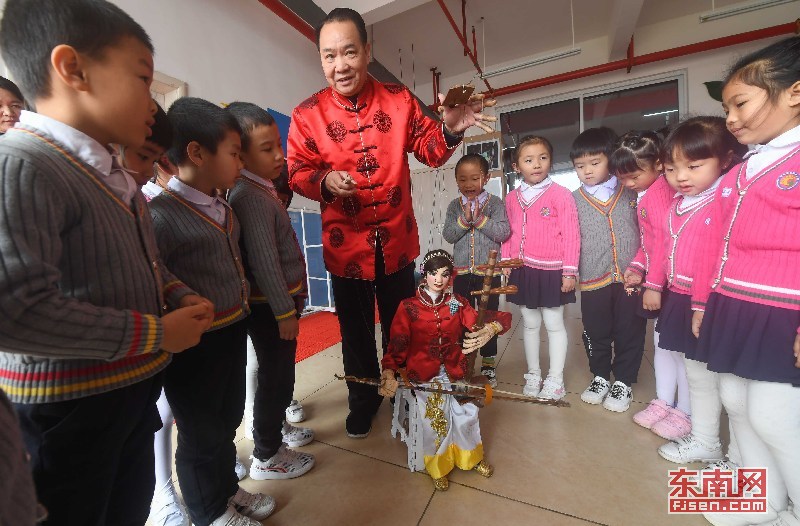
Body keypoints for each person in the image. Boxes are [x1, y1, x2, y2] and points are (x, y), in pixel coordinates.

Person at [0, 1, 213, 524]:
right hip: (67, 412)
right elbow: (16, 312)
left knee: (125, 509)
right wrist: (156, 334)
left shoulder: (112, 176)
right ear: (72, 69)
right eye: (143, 77)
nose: (151, 98)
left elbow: (145, 264)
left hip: (127, 393)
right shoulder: (22, 162)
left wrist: (177, 292)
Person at [287, 7, 496, 438]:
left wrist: (451, 130)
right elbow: (297, 172)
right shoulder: (307, 114)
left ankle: (408, 397)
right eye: (329, 56)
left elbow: (431, 150)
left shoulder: (399, 100)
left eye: (348, 52)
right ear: (320, 60)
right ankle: (363, 401)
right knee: (356, 334)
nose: (340, 65)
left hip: (398, 243)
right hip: (346, 249)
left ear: (367, 50)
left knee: (406, 328)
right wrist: (325, 179)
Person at [149, 97, 274, 526]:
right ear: (197, 153)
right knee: (200, 431)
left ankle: (225, 490)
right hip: (194, 345)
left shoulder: (224, 209)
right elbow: (154, 269)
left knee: (226, 417)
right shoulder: (161, 214)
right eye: (234, 153)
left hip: (230, 329)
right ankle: (208, 512)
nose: (240, 163)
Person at [692, 37, 800, 526]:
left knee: (775, 416)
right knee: (737, 402)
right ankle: (765, 503)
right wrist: (702, 302)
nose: (731, 118)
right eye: (726, 107)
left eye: (741, 103)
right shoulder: (742, 168)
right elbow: (712, 244)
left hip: (784, 308)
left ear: (794, 93)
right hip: (734, 301)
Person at [227, 102, 315, 481]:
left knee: (281, 375)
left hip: (278, 304)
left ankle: (277, 431)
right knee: (274, 379)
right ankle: (266, 454)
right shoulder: (250, 197)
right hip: (270, 308)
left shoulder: (262, 190)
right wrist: (283, 312)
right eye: (266, 149)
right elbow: (264, 263)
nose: (280, 156)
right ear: (240, 154)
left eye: (278, 145)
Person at [654, 117, 746, 471]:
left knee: (732, 387)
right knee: (696, 374)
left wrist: (703, 302)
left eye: (693, 166)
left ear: (724, 160)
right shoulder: (678, 204)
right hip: (681, 295)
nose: (681, 177)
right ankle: (706, 440)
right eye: (671, 168)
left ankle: (738, 459)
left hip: (714, 301)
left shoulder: (726, 200)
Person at [378, 249, 511, 491]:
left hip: (456, 369)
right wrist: (389, 370)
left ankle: (470, 458)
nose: (438, 279)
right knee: (436, 417)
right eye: (433, 273)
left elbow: (488, 318)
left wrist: (492, 327)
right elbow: (397, 343)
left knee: (467, 411)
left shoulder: (457, 303)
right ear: (424, 275)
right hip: (424, 373)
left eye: (444, 274)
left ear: (451, 277)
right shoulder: (408, 307)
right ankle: (438, 465)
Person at [614, 130, 692, 439]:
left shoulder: (662, 194)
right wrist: (636, 267)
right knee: (662, 344)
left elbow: (665, 244)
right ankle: (663, 401)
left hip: (675, 284)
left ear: (658, 165)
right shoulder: (647, 193)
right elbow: (649, 244)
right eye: (622, 179)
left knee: (680, 350)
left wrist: (654, 285)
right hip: (662, 278)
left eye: (633, 177)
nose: (628, 185)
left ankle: (684, 411)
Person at [571, 127, 646, 412]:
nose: (587, 171)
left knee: (630, 329)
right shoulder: (573, 200)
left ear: (611, 159)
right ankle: (600, 375)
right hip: (592, 278)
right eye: (580, 166)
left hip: (630, 275)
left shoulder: (630, 191)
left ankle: (624, 380)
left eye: (595, 162)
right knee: (595, 330)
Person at [501, 136, 579, 399]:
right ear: (517, 166)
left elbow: (571, 234)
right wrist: (506, 263)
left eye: (543, 157)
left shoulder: (561, 195)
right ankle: (533, 373)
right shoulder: (512, 198)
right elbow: (508, 233)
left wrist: (570, 271)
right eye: (529, 159)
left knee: (554, 323)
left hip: (552, 270)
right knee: (530, 323)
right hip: (522, 269)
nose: (537, 164)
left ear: (551, 161)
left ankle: (555, 378)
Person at [442, 153, 510, 386]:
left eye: (474, 178)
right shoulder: (454, 206)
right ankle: (463, 359)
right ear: (456, 180)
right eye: (462, 179)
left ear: (487, 177)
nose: (468, 185)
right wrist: (464, 221)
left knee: (487, 318)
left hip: (489, 275)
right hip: (461, 274)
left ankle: (488, 363)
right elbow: (449, 234)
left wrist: (480, 219)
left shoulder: (496, 204)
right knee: (461, 317)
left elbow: (503, 233)